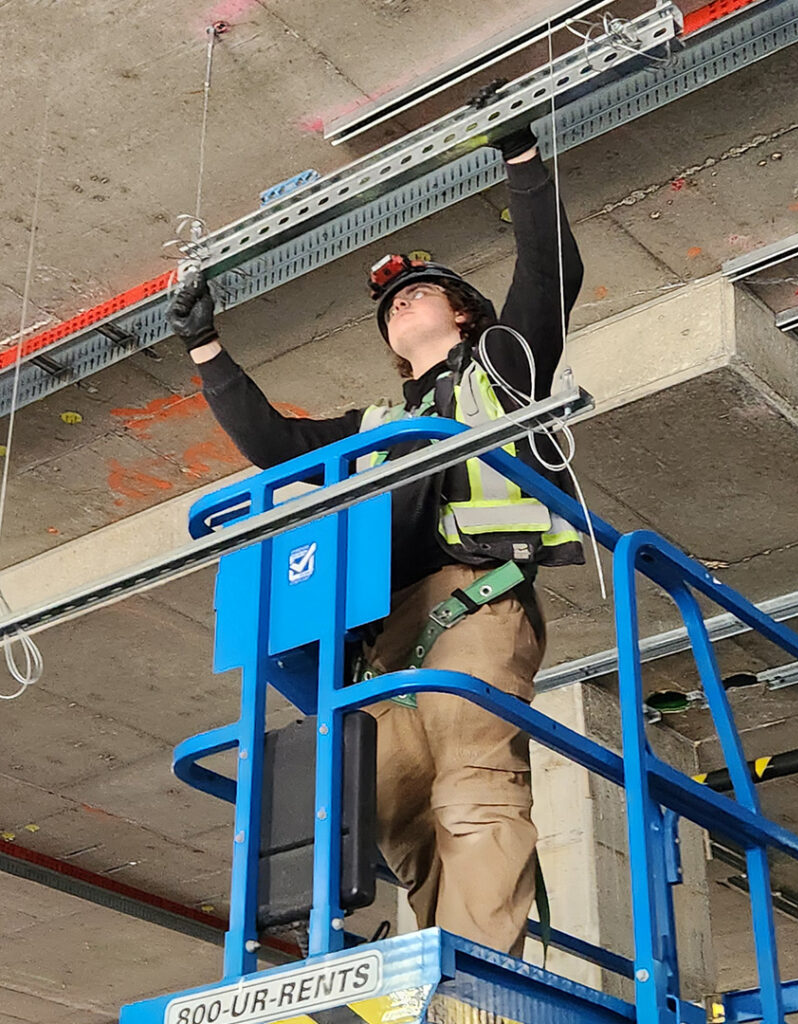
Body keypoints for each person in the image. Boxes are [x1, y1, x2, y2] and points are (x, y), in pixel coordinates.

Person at [167, 128, 585, 957]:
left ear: (462, 311)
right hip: (385, 628)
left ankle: (475, 993)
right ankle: (428, 968)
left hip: (478, 598)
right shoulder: (375, 429)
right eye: (390, 308)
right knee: (396, 811)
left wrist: (521, 159)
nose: (401, 303)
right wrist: (205, 349)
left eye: (420, 293)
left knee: (472, 787)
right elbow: (275, 443)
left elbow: (550, 272)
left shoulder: (504, 363)